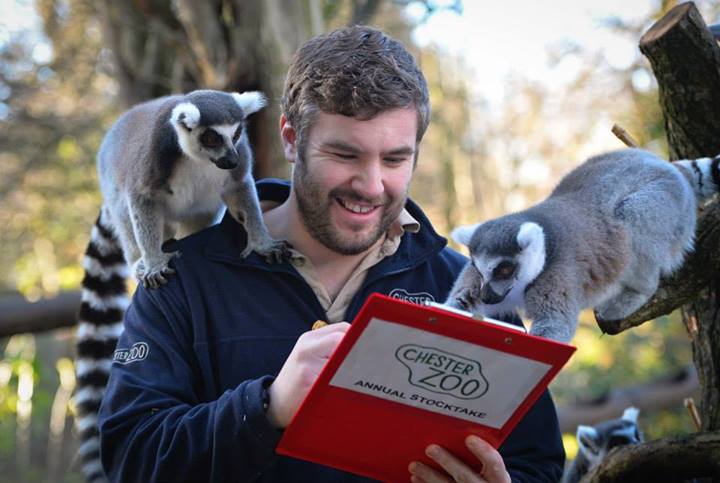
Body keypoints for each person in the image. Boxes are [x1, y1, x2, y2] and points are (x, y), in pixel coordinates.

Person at [98, 25, 565, 482]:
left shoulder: (473, 291)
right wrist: (265, 409)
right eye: (345, 155)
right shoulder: (182, 283)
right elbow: (130, 458)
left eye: (395, 159)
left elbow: (537, 462)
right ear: (291, 139)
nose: (371, 185)